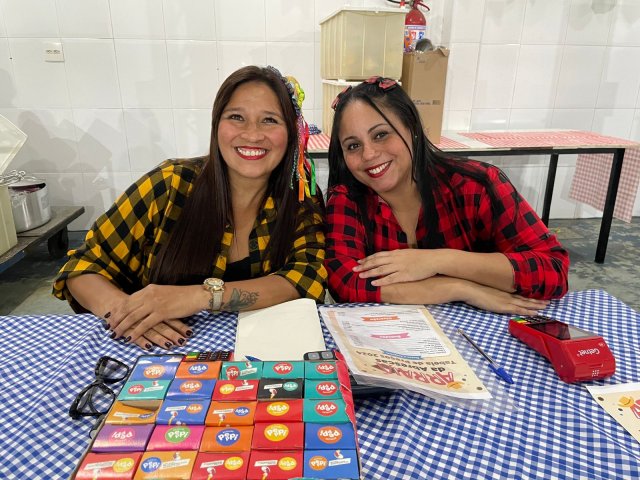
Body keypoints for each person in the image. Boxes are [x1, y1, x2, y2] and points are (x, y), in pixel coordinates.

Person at [54, 66, 327, 350]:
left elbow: (305, 278)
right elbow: (82, 267)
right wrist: (128, 312)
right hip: (153, 354)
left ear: (292, 133)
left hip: (261, 356)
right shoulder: (170, 184)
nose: (252, 134)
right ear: (216, 126)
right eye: (236, 117)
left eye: (269, 120)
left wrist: (200, 296)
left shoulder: (301, 199)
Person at [325, 77, 569, 315]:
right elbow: (345, 282)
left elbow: (553, 271)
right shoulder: (347, 199)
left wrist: (438, 261)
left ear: (412, 127)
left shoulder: (476, 185)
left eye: (380, 134)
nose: (368, 154)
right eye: (353, 145)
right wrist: (460, 288)